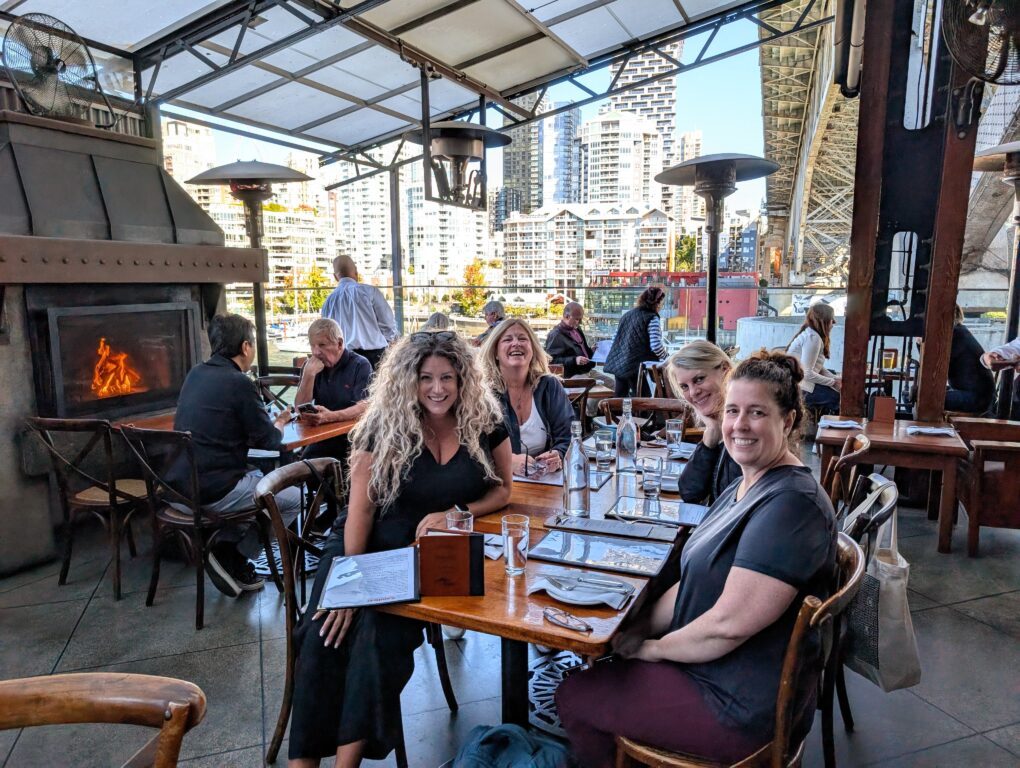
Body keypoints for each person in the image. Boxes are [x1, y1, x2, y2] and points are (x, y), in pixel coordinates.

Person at [556, 351, 837, 767]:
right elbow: (690, 581)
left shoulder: (792, 506)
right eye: (734, 410)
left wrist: (654, 650)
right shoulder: (746, 484)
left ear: (789, 421)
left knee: (574, 696)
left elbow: (727, 626)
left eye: (757, 412)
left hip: (736, 703)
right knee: (598, 670)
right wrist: (633, 630)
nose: (740, 425)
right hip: (718, 671)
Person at [288, 331, 512, 767]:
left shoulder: (485, 420)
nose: (437, 388)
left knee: (375, 635)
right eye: (425, 377)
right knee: (320, 635)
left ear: (464, 378)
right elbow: (360, 516)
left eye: (448, 377)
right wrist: (351, 585)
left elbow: (504, 491)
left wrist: (457, 512)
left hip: (423, 558)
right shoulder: (382, 427)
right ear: (407, 379)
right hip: (362, 547)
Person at [169, 314, 302, 597]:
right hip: (210, 494)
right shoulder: (240, 383)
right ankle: (232, 554)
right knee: (292, 500)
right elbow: (270, 441)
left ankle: (229, 553)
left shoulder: (195, 373)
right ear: (245, 347)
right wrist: (279, 422)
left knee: (255, 480)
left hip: (175, 491)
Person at [480, 318, 573, 477]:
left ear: (533, 349)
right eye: (507, 339)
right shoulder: (483, 394)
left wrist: (558, 454)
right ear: (495, 352)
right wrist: (508, 461)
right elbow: (472, 449)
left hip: (543, 484)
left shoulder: (549, 386)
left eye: (522, 338)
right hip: (497, 483)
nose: (516, 343)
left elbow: (568, 436)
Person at [665, 341, 740, 505]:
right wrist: (711, 433)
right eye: (684, 386)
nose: (693, 393)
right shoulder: (720, 427)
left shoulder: (741, 431)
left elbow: (733, 505)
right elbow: (690, 492)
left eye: (699, 379)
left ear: (725, 370)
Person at [293, 318, 371, 466]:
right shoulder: (312, 366)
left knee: (319, 463)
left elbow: (365, 406)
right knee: (306, 463)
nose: (316, 352)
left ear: (339, 343)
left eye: (322, 345)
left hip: (354, 436)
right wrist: (308, 375)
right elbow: (299, 408)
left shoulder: (360, 365)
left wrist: (330, 417)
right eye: (312, 345)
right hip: (322, 436)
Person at [320, 254, 398, 370]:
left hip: (343, 359)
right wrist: (389, 343)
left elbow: (327, 334)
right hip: (375, 357)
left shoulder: (328, 302)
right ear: (356, 272)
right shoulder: (370, 292)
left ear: (335, 277)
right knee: (376, 388)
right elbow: (388, 324)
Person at [604, 286, 668, 397]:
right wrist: (668, 358)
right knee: (643, 399)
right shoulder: (652, 318)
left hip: (619, 363)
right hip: (635, 366)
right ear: (658, 303)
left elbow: (615, 339)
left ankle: (614, 414)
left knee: (620, 397)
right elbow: (656, 346)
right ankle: (638, 415)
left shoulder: (627, 315)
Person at [786, 302, 841, 414]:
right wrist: (833, 383)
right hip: (800, 389)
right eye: (831, 319)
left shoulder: (811, 334)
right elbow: (807, 374)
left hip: (800, 384)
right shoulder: (813, 338)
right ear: (824, 321)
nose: (833, 323)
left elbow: (817, 367)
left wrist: (835, 378)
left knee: (833, 375)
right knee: (839, 399)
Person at [944, 305, 994, 414]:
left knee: (927, 398)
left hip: (975, 399)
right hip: (976, 395)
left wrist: (920, 344)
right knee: (922, 394)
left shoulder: (955, 335)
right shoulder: (960, 331)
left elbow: (937, 369)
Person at [545, 301, 595, 378]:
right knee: (612, 386)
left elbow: (581, 351)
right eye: (577, 319)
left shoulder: (577, 329)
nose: (579, 322)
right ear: (567, 316)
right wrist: (574, 360)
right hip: (573, 376)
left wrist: (591, 351)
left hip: (587, 371)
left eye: (580, 319)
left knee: (613, 385)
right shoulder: (556, 335)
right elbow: (551, 360)